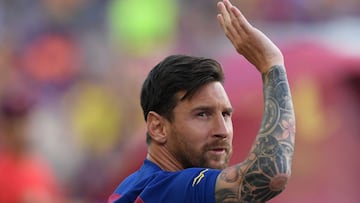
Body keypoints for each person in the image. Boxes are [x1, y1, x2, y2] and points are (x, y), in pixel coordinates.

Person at [109, 0, 296, 202]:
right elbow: (269, 175)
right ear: (158, 127)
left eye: (225, 115)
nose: (222, 130)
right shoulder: (167, 187)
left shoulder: (133, 185)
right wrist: (271, 66)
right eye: (202, 114)